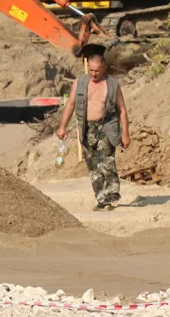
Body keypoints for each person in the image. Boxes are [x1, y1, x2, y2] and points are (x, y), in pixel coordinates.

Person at [56, 51, 131, 211]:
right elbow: (70, 104)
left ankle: (112, 193)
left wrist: (125, 134)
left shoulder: (112, 85)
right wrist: (62, 126)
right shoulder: (80, 82)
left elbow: (122, 110)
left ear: (104, 68)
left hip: (106, 126)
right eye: (91, 70)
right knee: (93, 165)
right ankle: (102, 199)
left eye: (97, 70)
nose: (94, 74)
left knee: (106, 161)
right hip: (86, 128)